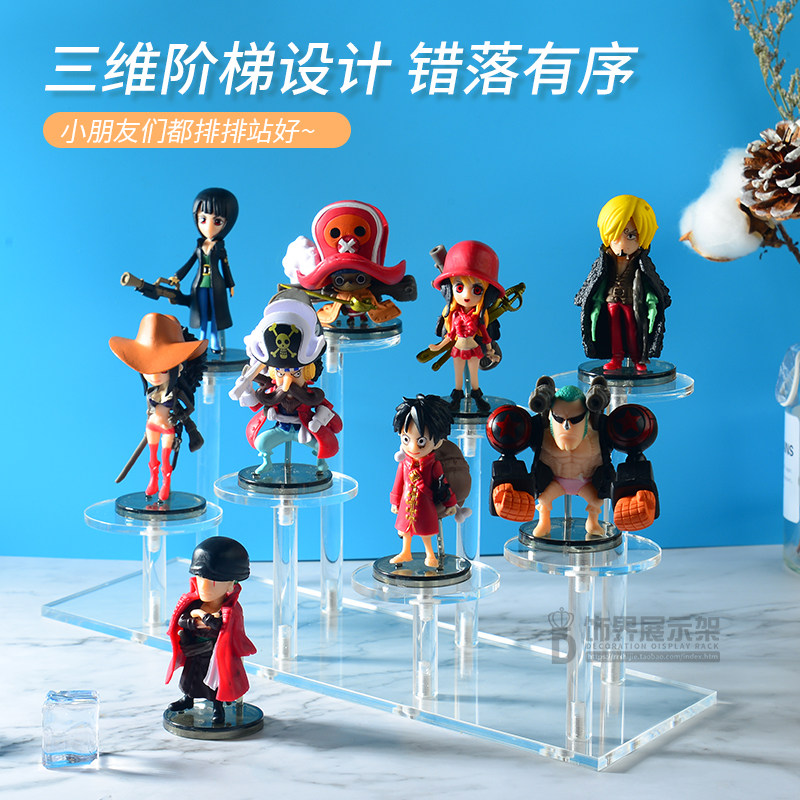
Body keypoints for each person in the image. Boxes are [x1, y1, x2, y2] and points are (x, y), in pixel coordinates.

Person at [109, 313, 206, 501]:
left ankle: (165, 484)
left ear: (178, 368)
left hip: (168, 427)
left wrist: (178, 418)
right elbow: (150, 408)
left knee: (165, 459)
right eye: (147, 368)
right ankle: (153, 481)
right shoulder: (151, 392)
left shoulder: (176, 392)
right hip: (152, 426)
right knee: (153, 458)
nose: (154, 376)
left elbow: (189, 408)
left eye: (162, 369)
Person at [165, 537, 256, 726]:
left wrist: (204, 619)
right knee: (190, 679)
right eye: (201, 578)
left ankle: (217, 707)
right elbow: (182, 620)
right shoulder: (193, 603)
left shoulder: (230, 611)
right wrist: (197, 617)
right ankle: (188, 699)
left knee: (215, 683)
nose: (204, 586)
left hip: (215, 654)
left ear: (230, 584)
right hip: (194, 651)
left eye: (213, 581)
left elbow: (219, 627)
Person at [574, 195, 670, 373]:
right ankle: (616, 358)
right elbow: (598, 282)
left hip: (632, 302)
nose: (622, 244)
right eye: (616, 236)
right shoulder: (604, 261)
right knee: (614, 332)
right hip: (611, 301)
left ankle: (637, 358)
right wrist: (595, 304)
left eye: (631, 236)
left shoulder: (641, 263)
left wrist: (652, 301)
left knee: (634, 330)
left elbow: (650, 283)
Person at [427, 241, 504, 414]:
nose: (466, 295)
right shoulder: (453, 316)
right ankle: (457, 398)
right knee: (458, 375)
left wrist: (490, 351)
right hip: (459, 348)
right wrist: (438, 346)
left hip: (474, 347)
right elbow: (450, 335)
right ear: (450, 289)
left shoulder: (479, 318)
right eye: (460, 287)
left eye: (476, 290)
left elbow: (486, 336)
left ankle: (477, 397)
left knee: (473, 376)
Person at [390, 394, 458, 567]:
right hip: (406, 503)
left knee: (425, 531)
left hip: (425, 504)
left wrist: (450, 503)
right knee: (405, 529)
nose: (413, 447)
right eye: (406, 439)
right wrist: (395, 501)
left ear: (438, 442)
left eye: (421, 441)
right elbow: (398, 485)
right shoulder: (404, 465)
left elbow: (443, 484)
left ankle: (430, 554)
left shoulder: (434, 465)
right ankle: (405, 552)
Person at [170, 187, 238, 353]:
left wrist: (230, 284)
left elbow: (226, 267)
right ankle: (201, 340)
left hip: (216, 285)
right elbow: (190, 263)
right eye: (203, 219)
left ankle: (214, 342)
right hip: (199, 285)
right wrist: (178, 276)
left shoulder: (220, 248)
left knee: (215, 315)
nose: (208, 226)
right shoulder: (199, 246)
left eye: (217, 221)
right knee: (202, 314)